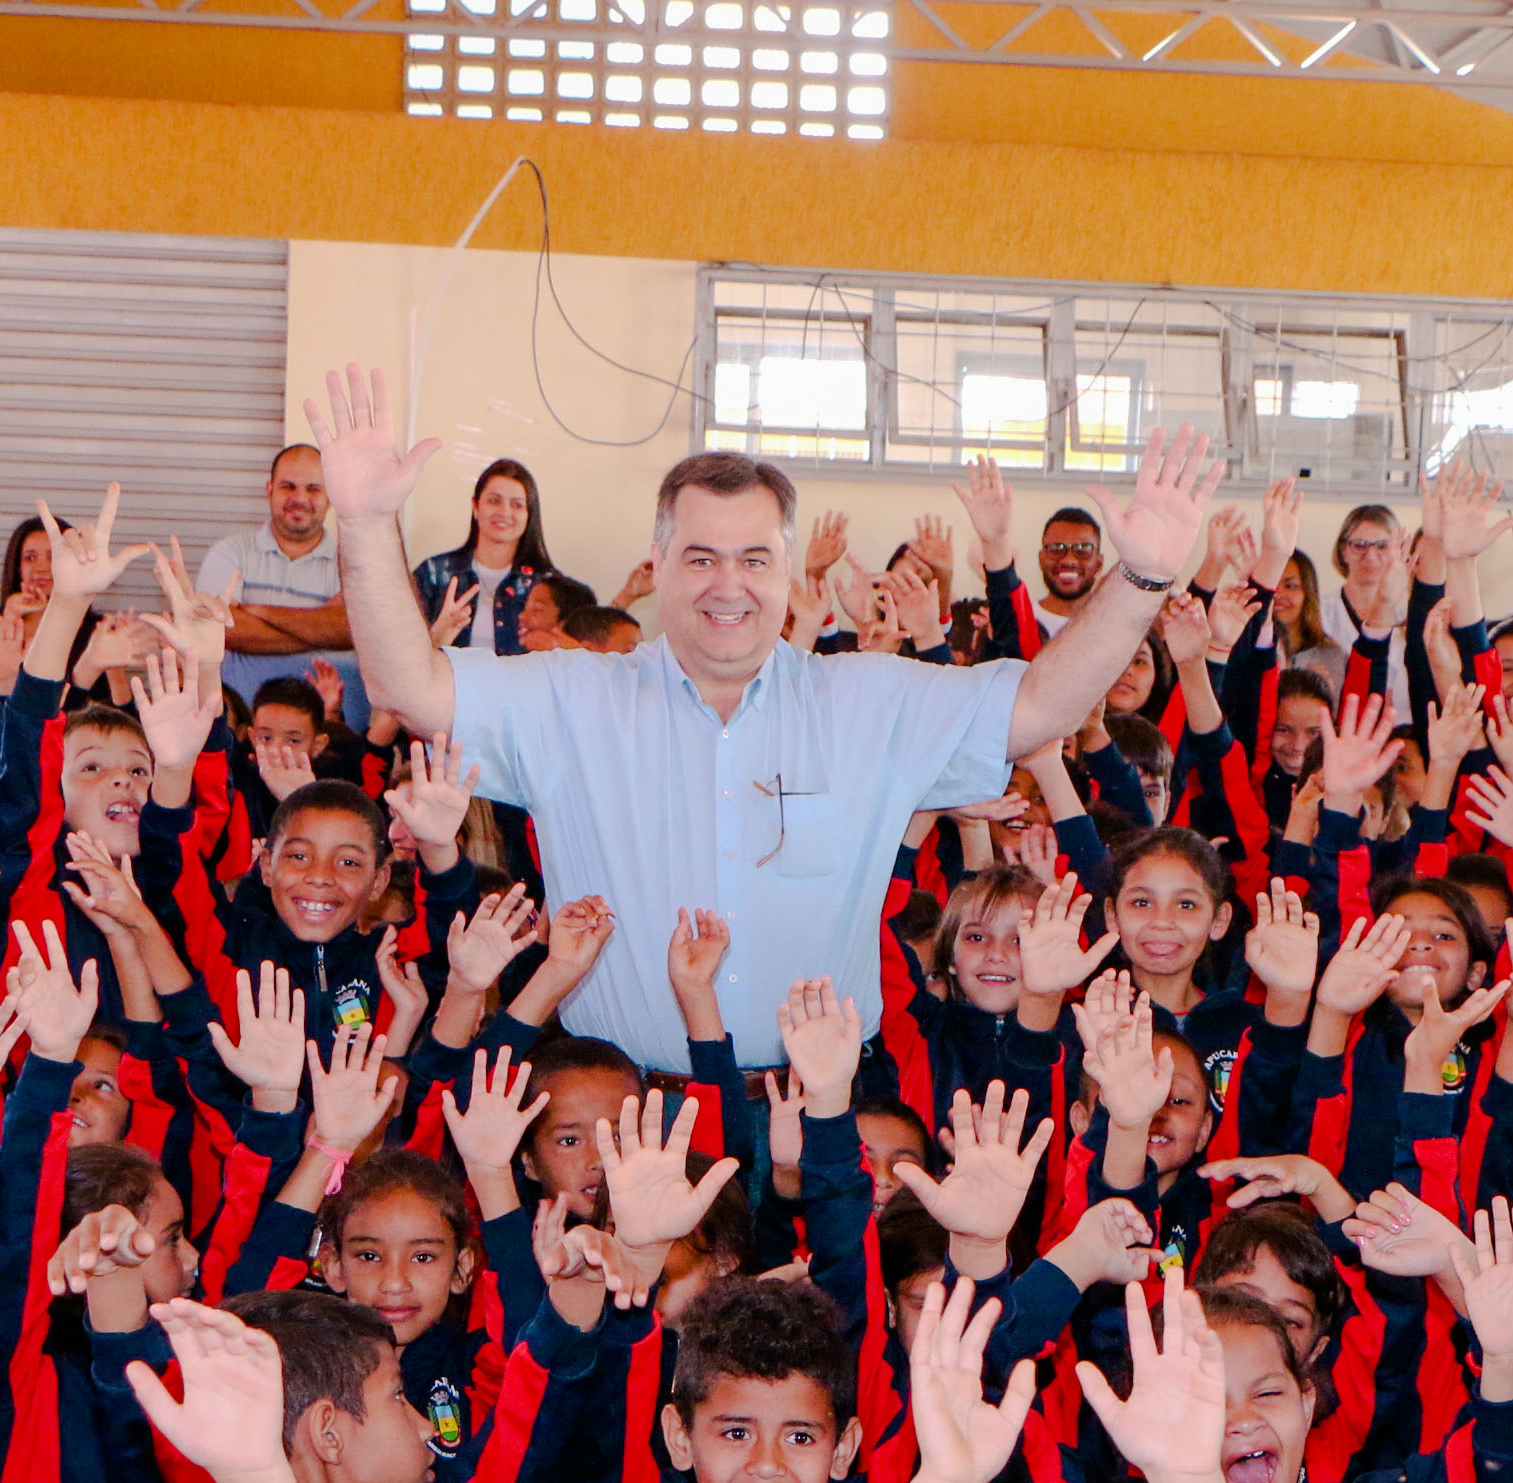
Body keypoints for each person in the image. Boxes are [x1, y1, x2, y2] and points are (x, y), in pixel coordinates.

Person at [318, 362, 1212, 1069]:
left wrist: (1140, 583)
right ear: (658, 563)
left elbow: (1038, 706)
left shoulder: (867, 698)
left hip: (811, 1122)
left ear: (786, 573)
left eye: (754, 558)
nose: (728, 585)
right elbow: (412, 688)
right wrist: (362, 524)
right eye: (701, 557)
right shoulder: (572, 696)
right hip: (620, 1113)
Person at [198, 442, 361, 725]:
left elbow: (356, 630)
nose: (300, 498)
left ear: (331, 496)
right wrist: (323, 628)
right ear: (269, 490)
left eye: (313, 488)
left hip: (327, 737)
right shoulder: (230, 552)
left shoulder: (352, 563)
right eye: (288, 486)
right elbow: (218, 631)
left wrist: (259, 611)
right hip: (236, 731)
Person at [408, 457, 554, 656]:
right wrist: (435, 637)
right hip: (450, 686)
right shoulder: (434, 573)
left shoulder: (548, 587)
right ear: (476, 507)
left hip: (517, 687)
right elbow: (402, 653)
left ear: (529, 514)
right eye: (494, 501)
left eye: (517, 505)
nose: (504, 512)